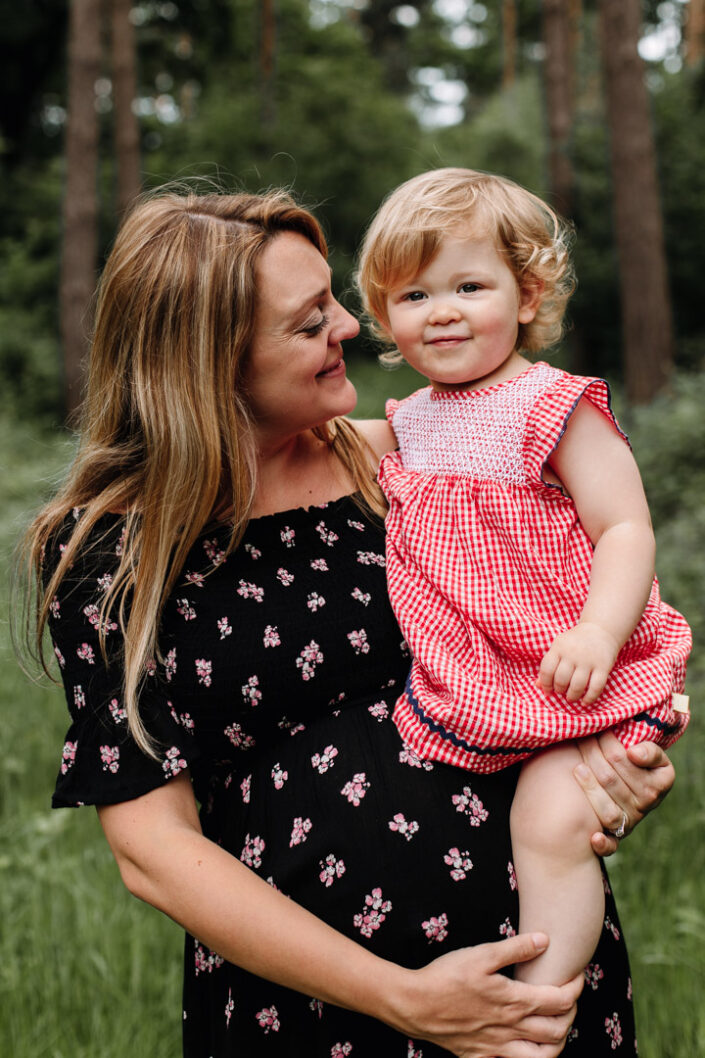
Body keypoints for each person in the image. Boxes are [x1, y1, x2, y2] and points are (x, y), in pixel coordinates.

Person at [21, 188, 676, 1057]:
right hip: (312, 1008)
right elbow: (152, 849)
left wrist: (610, 760)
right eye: (306, 322)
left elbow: (583, 596)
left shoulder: (408, 461)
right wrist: (400, 997)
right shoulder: (111, 551)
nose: (345, 327)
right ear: (206, 360)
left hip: (528, 986)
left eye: (333, 298)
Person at [356, 166, 691, 990]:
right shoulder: (410, 418)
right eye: (411, 296)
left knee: (552, 822)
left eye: (468, 285)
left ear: (528, 294)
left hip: (576, 666)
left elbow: (623, 526)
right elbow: (317, 445)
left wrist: (598, 631)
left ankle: (539, 1012)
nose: (441, 311)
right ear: (383, 318)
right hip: (482, 676)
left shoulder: (552, 404)